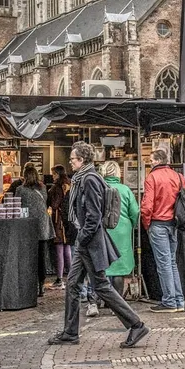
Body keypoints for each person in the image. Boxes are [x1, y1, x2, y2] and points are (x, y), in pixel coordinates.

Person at [47, 142, 149, 348]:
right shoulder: (83, 178)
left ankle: (136, 324)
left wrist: (82, 238)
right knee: (75, 285)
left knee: (100, 286)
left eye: (73, 159)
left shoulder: (90, 179)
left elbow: (93, 215)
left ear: (82, 160)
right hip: (87, 241)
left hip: (89, 242)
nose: (71, 162)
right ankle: (70, 332)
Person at [142, 147, 185, 313]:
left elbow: (147, 206)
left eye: (152, 160)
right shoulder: (178, 176)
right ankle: (179, 300)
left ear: (158, 161)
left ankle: (169, 301)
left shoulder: (152, 177)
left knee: (163, 264)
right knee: (172, 262)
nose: (150, 163)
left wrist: (147, 224)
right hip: (174, 223)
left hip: (158, 223)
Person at [101, 160, 139, 298]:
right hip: (122, 231)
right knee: (119, 266)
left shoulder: (100, 188)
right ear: (118, 173)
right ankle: (118, 302)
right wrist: (132, 225)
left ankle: (104, 299)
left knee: (104, 266)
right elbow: (135, 211)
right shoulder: (125, 189)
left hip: (104, 230)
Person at [20, 165, 52, 297]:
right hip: (42, 227)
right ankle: (41, 285)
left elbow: (18, 206)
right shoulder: (43, 188)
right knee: (41, 258)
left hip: (27, 228)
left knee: (28, 258)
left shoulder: (20, 190)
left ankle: (29, 285)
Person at [48, 165, 72, 288]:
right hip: (68, 221)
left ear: (57, 174)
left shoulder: (56, 188)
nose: (52, 176)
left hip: (59, 222)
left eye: (53, 174)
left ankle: (59, 279)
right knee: (67, 249)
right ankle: (72, 277)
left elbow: (55, 204)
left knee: (59, 250)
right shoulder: (69, 185)